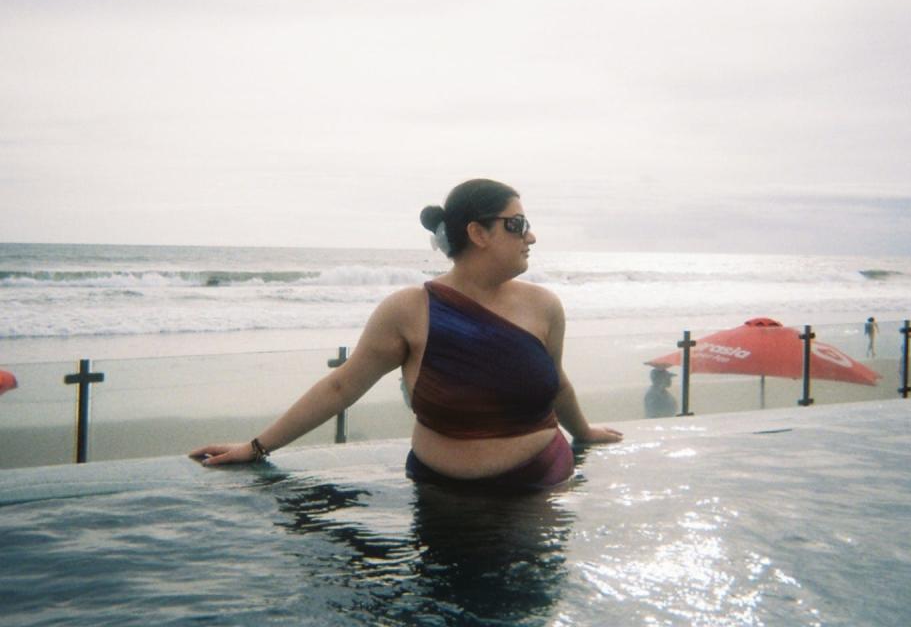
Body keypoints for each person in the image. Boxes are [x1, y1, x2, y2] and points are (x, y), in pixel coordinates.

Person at [190, 178, 623, 490]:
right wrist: (257, 447)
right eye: (517, 223)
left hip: (539, 489)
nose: (531, 235)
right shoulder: (409, 310)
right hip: (440, 498)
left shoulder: (544, 306)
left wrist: (583, 431)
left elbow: (558, 383)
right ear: (477, 233)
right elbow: (342, 386)